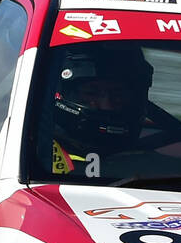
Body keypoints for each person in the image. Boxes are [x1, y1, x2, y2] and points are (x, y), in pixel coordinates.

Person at [51, 45, 153, 175]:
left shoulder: (165, 172)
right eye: (91, 93)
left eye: (118, 94)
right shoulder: (29, 154)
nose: (106, 106)